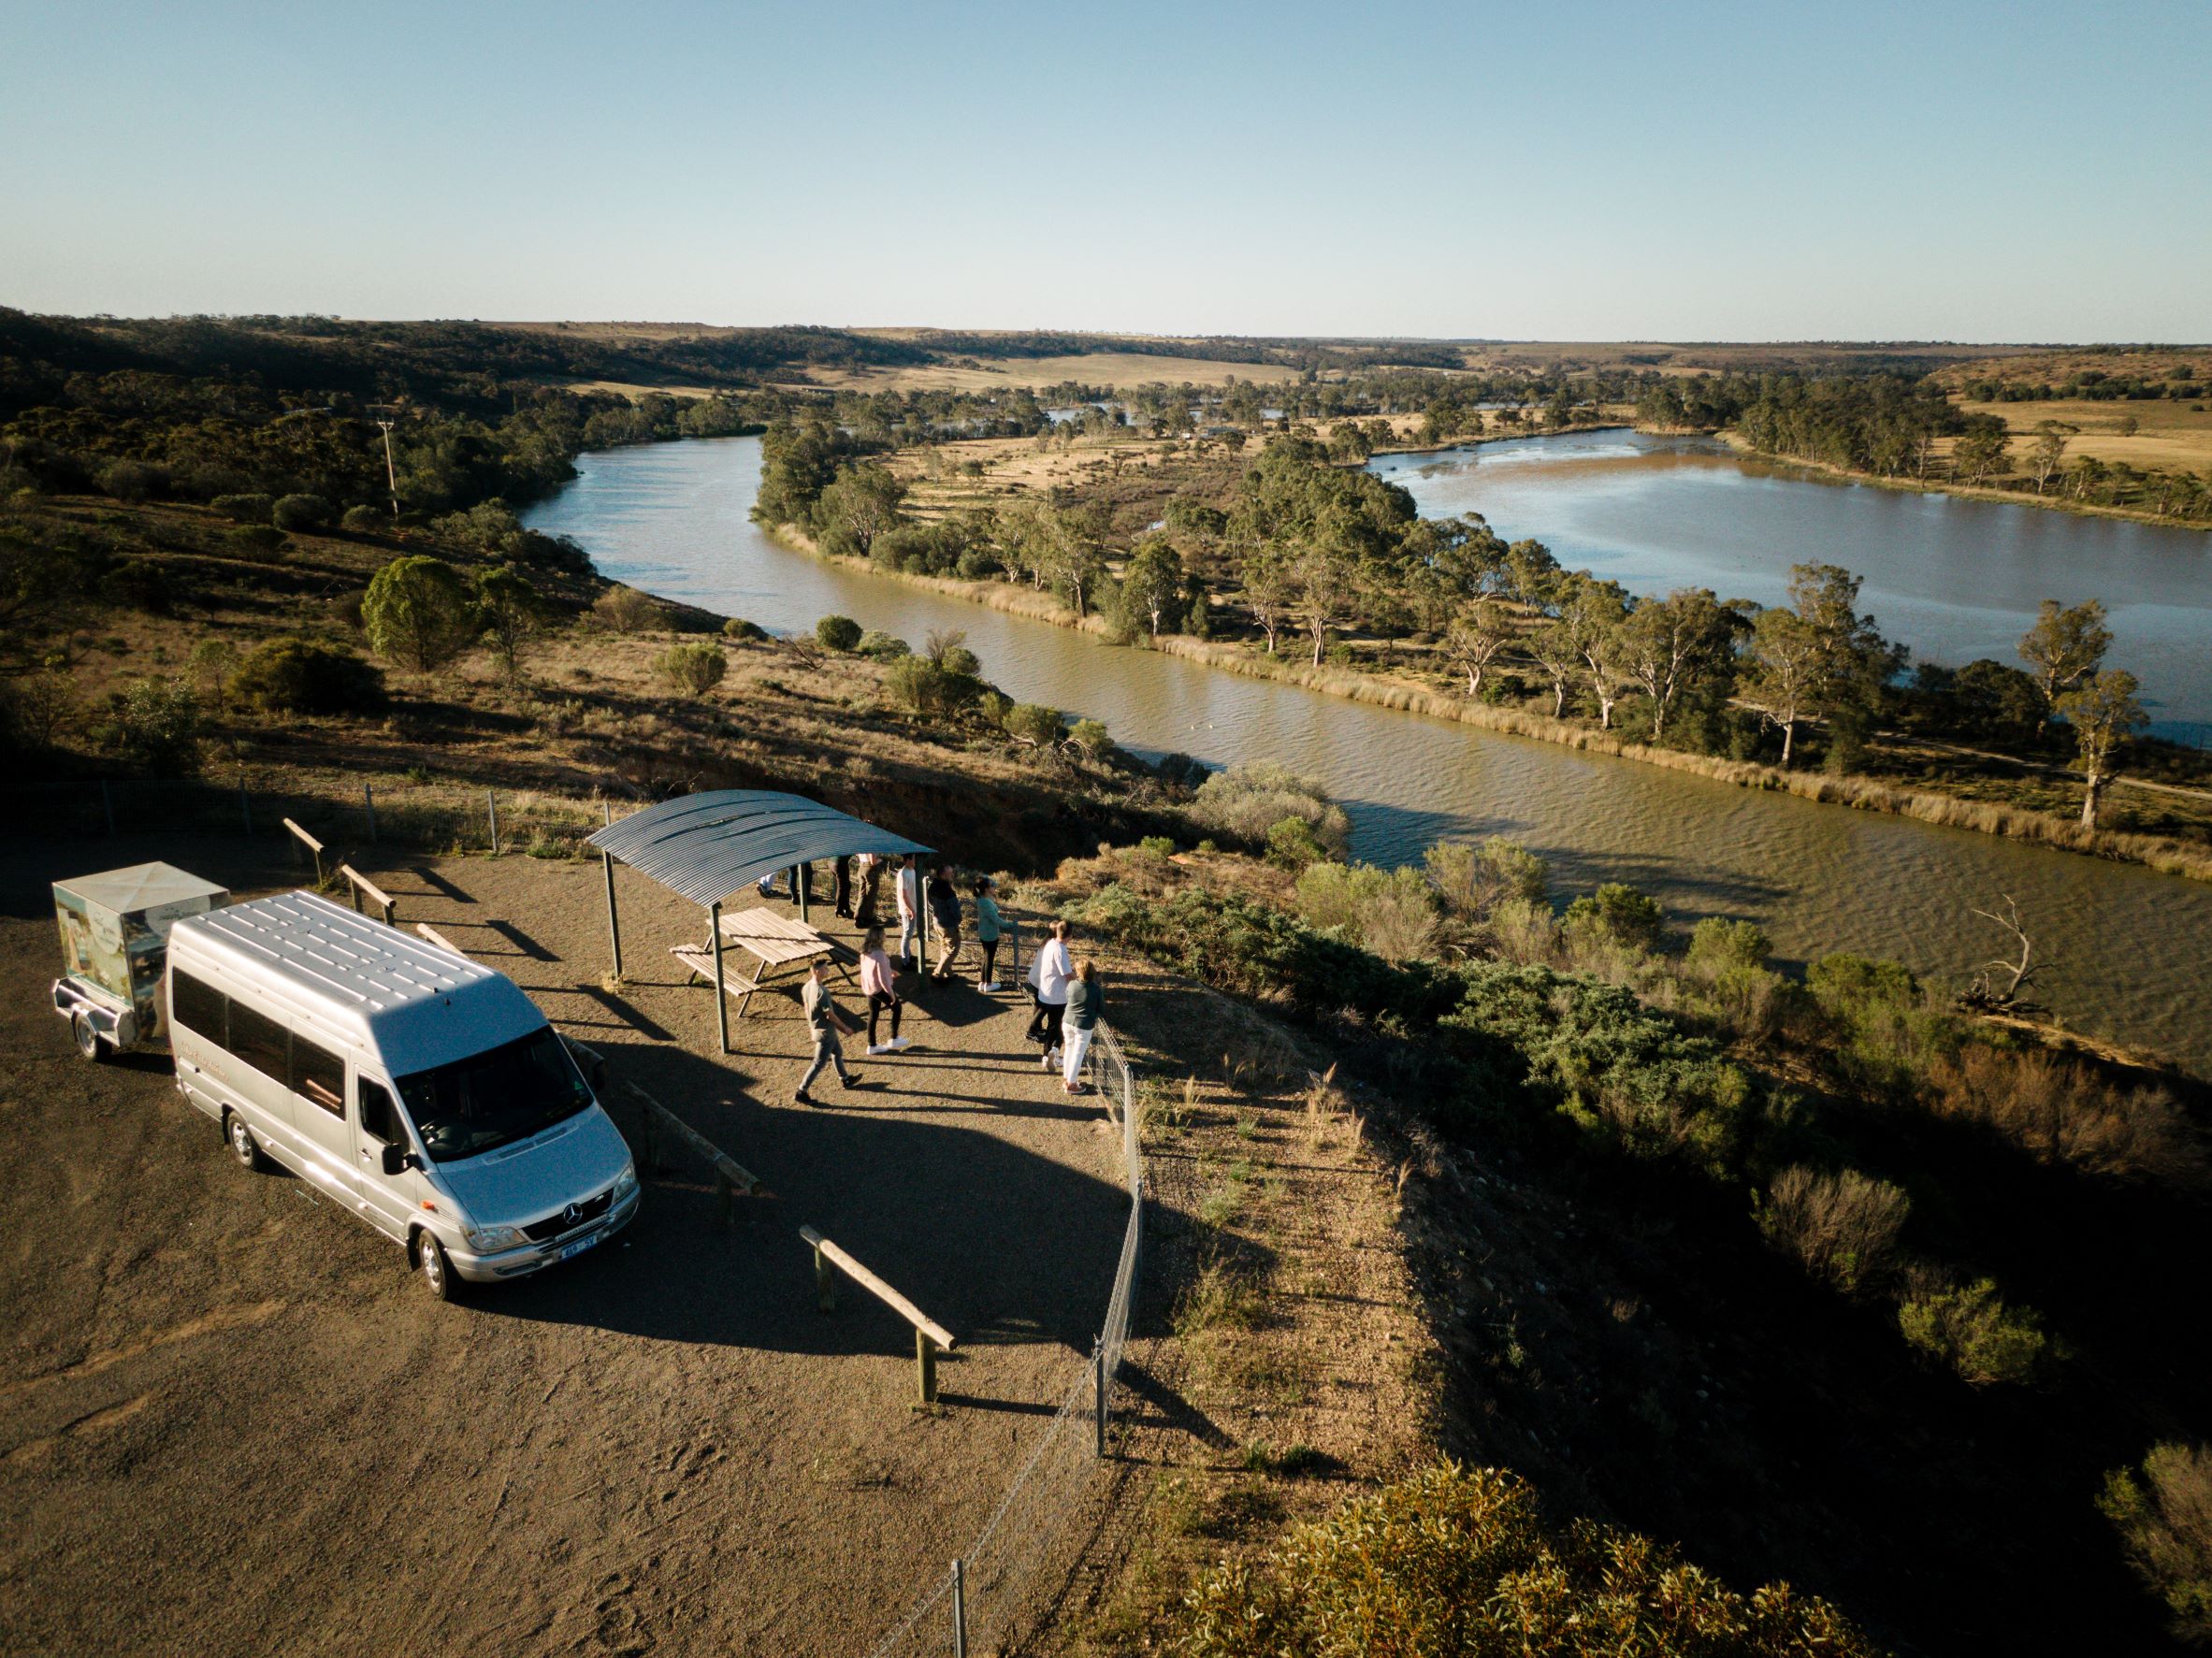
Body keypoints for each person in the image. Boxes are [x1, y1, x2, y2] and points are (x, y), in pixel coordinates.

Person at [794, 960, 862, 1105]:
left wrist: (811, 1025)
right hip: (826, 1033)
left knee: (837, 1052)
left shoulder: (806, 987)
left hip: (817, 1029)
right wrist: (845, 1028)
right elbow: (830, 1015)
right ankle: (802, 1091)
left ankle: (845, 1079)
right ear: (817, 971)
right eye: (825, 969)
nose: (828, 971)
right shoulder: (822, 992)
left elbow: (806, 1008)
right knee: (819, 1062)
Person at [1025, 919, 1073, 1071]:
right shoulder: (1060, 950)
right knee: (1057, 1026)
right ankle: (1054, 1053)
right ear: (1070, 935)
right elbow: (1067, 974)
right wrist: (1081, 980)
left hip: (1045, 992)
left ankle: (1047, 1055)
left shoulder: (1050, 943)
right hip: (1057, 996)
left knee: (1053, 1025)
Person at [859, 926, 909, 1054]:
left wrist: (891, 971)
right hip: (878, 988)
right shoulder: (879, 954)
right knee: (897, 1008)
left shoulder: (865, 951)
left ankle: (872, 1045)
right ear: (880, 938)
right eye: (884, 934)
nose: (886, 936)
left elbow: (873, 969)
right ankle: (894, 1037)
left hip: (869, 988)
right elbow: (883, 979)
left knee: (873, 1015)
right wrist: (891, 994)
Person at [1062, 959, 1103, 1093]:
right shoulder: (1096, 989)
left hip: (1067, 1021)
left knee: (1069, 1049)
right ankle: (1072, 1085)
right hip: (1083, 1026)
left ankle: (1066, 1078)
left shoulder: (1072, 984)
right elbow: (1101, 1008)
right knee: (1078, 1055)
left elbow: (1067, 997)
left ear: (1078, 972)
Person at [927, 863, 962, 981]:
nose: (952, 874)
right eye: (950, 872)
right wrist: (958, 919)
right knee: (952, 949)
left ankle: (948, 972)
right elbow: (954, 909)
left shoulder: (932, 887)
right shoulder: (947, 891)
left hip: (937, 921)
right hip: (948, 924)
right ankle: (938, 974)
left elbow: (931, 902)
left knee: (944, 947)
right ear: (943, 874)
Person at [972, 875, 1004, 992]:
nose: (994, 887)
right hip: (990, 934)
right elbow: (996, 919)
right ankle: (988, 984)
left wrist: (985, 880)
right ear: (986, 889)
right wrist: (1011, 925)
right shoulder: (986, 902)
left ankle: (983, 983)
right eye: (991, 886)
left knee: (986, 957)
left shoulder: (981, 898)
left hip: (984, 932)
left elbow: (991, 884)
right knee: (989, 959)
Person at [894, 854, 920, 969]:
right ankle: (905, 961)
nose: (915, 860)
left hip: (912, 907)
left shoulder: (911, 871)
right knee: (907, 934)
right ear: (908, 860)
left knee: (909, 933)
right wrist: (910, 909)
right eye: (914, 858)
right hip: (908, 909)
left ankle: (908, 955)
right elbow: (903, 894)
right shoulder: (903, 874)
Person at [855, 852, 883, 928]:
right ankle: (868, 918)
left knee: (862, 893)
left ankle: (858, 917)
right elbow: (873, 861)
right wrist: (880, 860)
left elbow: (857, 853)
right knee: (871, 894)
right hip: (869, 867)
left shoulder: (861, 840)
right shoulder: (872, 841)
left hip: (861, 865)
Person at [832, 855, 853, 919]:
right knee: (842, 887)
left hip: (832, 862)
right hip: (840, 864)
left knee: (847, 885)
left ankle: (846, 908)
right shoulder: (853, 845)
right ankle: (839, 909)